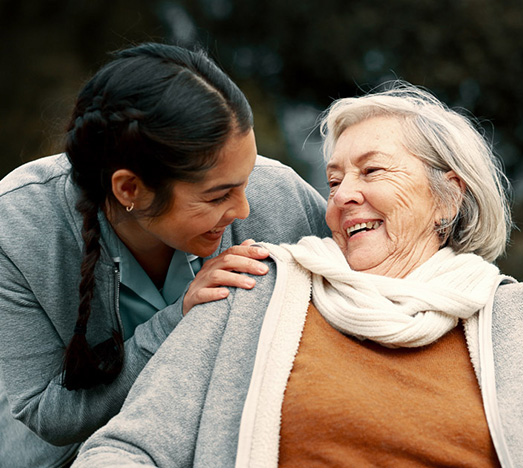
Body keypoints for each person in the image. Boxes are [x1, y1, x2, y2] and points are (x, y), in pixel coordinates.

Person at [73, 83, 523, 467]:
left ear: (447, 196)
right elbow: (128, 450)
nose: (345, 195)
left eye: (371, 170)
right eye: (333, 181)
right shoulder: (254, 292)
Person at [0, 43, 329, 468]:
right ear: (129, 190)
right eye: (217, 196)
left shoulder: (277, 195)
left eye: (246, 180)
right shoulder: (18, 227)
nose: (244, 210)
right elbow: (48, 415)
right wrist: (181, 318)